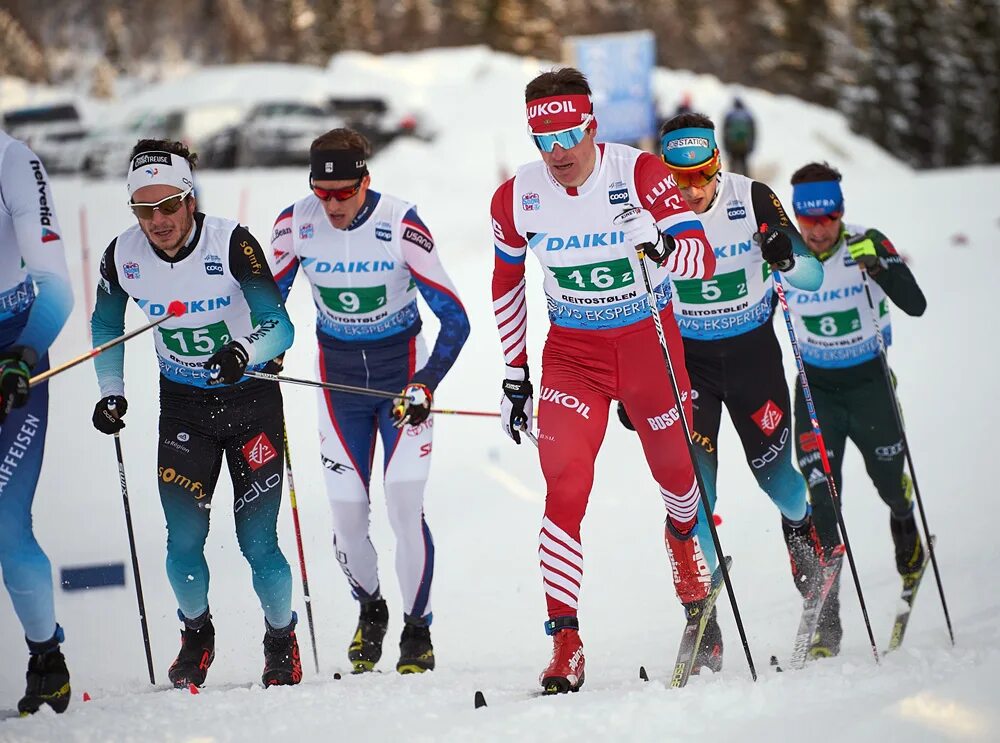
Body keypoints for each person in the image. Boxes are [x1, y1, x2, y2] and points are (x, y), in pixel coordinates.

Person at [490, 67, 716, 693]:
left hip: (649, 345)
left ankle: (681, 543)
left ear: (591, 125)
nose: (558, 151)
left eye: (568, 133)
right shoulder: (517, 196)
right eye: (544, 138)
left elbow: (700, 254)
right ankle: (565, 642)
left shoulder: (638, 172)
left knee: (676, 474)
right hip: (574, 356)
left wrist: (660, 242)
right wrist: (516, 373)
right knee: (565, 484)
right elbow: (507, 285)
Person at [90, 139, 301, 688]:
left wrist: (243, 351)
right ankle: (196, 633)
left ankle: (281, 637)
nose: (157, 221)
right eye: (143, 209)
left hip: (250, 400)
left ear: (189, 198)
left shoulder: (231, 243)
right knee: (183, 541)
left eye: (168, 206)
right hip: (183, 408)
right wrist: (111, 390)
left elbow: (280, 326)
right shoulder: (123, 255)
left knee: (259, 544)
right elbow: (106, 327)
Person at [622, 112, 826, 672]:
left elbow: (811, 277)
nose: (689, 192)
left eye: (701, 177)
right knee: (695, 491)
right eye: (677, 179)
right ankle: (705, 617)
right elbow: (631, 303)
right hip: (687, 365)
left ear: (717, 166)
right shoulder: (646, 214)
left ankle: (804, 536)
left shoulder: (753, 197)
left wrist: (785, 253)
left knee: (777, 480)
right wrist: (630, 383)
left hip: (753, 355)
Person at [271, 128, 469, 675]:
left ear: (366, 181)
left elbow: (455, 317)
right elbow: (269, 306)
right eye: (322, 192)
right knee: (348, 515)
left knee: (404, 502)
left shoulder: (401, 223)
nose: (332, 205)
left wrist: (426, 381)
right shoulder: (295, 224)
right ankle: (371, 607)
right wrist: (260, 351)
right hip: (338, 386)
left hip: (400, 375)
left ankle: (418, 629)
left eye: (344, 193)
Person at [785, 162, 927, 657]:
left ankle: (906, 520)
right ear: (798, 216)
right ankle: (829, 621)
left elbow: (916, 304)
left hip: (869, 382)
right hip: (815, 390)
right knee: (823, 502)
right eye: (809, 219)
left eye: (829, 217)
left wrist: (882, 266)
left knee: (889, 481)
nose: (820, 229)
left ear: (841, 213)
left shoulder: (868, 241)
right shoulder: (786, 251)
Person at [0, 130, 74, 714]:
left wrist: (23, 355)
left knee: (6, 524)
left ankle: (46, 658)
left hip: (12, 347)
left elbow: (56, 289)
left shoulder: (11, 159)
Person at [721, 97, 755, 176]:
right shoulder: (748, 115)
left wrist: (726, 147)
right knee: (744, 166)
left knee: (732, 167)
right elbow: (753, 132)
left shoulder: (729, 115)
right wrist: (751, 146)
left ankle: (730, 184)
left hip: (732, 146)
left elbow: (725, 132)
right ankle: (747, 183)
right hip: (744, 146)